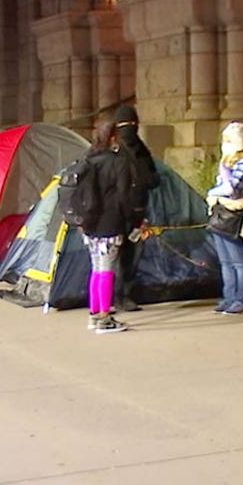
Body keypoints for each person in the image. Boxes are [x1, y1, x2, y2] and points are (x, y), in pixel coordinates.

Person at [80, 118, 137, 334]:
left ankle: (94, 314)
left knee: (96, 268)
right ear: (114, 137)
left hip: (89, 222)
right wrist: (132, 220)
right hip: (110, 223)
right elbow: (124, 196)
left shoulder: (88, 159)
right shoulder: (118, 161)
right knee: (107, 270)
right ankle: (105, 318)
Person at [112, 101, 160, 312]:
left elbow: (154, 176)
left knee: (132, 255)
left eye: (132, 123)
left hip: (138, 211)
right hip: (116, 212)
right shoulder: (113, 150)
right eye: (125, 124)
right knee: (114, 255)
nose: (130, 128)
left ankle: (126, 294)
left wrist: (146, 180)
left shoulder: (141, 149)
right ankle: (112, 295)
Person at [206, 121, 243, 314]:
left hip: (233, 213)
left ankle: (241, 299)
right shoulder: (227, 161)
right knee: (225, 261)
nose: (224, 143)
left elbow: (232, 189)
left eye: (228, 140)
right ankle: (228, 297)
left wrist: (216, 189)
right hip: (220, 211)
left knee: (238, 260)